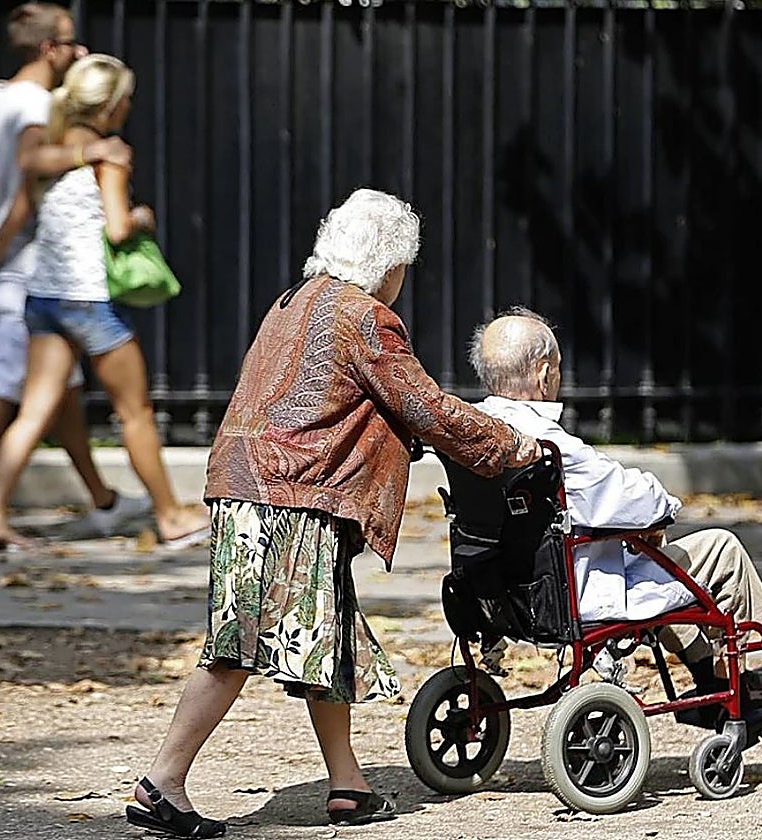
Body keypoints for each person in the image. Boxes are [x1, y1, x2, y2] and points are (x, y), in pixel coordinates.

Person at [125, 189, 542, 837]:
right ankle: (163, 782)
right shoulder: (366, 317)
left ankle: (347, 782)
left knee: (328, 631)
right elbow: (424, 406)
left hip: (247, 483)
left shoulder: (293, 301)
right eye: (405, 265)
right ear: (389, 263)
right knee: (236, 644)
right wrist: (507, 442)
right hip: (290, 493)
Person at [0, 53, 210, 551]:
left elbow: (16, 217)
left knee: (32, 412)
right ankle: (169, 515)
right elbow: (117, 228)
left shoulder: (49, 152)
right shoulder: (109, 155)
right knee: (134, 412)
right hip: (91, 301)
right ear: (112, 104)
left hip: (45, 298)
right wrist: (141, 217)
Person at [468, 308, 762, 696]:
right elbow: (638, 501)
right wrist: (665, 509)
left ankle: (704, 670)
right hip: (575, 591)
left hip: (505, 591)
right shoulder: (552, 446)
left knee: (657, 568)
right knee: (722, 550)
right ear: (544, 374)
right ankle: (746, 680)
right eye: (558, 369)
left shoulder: (475, 429)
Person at [0, 2, 148, 544]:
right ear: (48, 49)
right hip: (29, 262)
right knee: (9, 390)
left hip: (19, 257)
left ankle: (101, 500)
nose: (78, 51)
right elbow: (31, 166)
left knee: (56, 395)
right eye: (70, 42)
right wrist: (94, 148)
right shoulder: (33, 102)